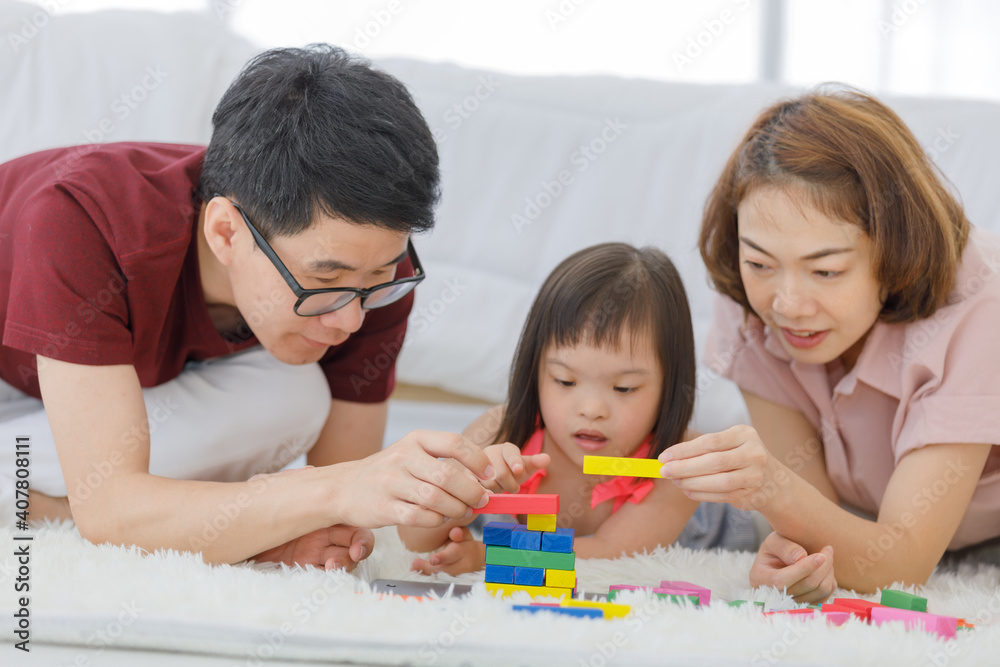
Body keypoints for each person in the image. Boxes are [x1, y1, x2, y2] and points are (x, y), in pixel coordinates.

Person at [0, 45, 497, 570]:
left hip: (92, 404)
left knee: (294, 401)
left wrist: (450, 488)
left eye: (378, 277)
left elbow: (345, 517)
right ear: (226, 233)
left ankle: (47, 502)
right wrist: (329, 489)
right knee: (115, 500)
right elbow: (111, 512)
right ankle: (46, 506)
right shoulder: (84, 220)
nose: (350, 319)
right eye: (322, 280)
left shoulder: (369, 274)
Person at [659, 86, 1000, 598]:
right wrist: (797, 552)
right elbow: (815, 513)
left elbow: (900, 561)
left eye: (826, 270)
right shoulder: (750, 291)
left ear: (895, 252)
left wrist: (773, 488)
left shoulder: (979, 305)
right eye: (760, 263)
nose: (788, 304)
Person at [399, 243, 760, 575]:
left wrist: (490, 556)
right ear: (535, 369)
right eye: (565, 381)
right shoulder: (503, 428)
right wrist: (468, 485)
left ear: (670, 386)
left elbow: (612, 553)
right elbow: (413, 537)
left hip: (710, 530)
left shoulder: (677, 465)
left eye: (624, 388)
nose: (591, 409)